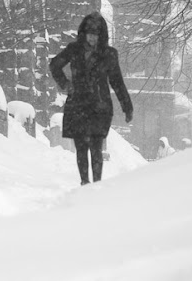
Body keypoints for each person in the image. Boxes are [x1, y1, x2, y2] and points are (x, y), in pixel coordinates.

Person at [49, 12, 133, 185]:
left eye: (96, 35)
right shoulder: (74, 50)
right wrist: (65, 84)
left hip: (99, 108)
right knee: (81, 148)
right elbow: (55, 64)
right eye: (89, 34)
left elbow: (117, 82)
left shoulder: (109, 54)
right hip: (78, 106)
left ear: (101, 36)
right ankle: (85, 183)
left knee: (96, 148)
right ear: (84, 34)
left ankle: (97, 185)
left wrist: (127, 106)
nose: (92, 38)